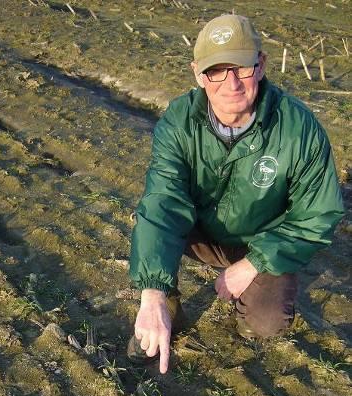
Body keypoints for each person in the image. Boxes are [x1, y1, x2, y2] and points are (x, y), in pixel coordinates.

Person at [128, 14, 344, 374]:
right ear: (198, 74)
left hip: (262, 240)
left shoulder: (299, 128)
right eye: (217, 71)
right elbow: (164, 204)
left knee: (265, 324)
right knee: (152, 219)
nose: (231, 84)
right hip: (200, 232)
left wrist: (253, 264)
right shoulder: (178, 122)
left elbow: (317, 215)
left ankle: (250, 287)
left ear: (260, 66)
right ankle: (168, 305)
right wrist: (151, 294)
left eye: (241, 68)